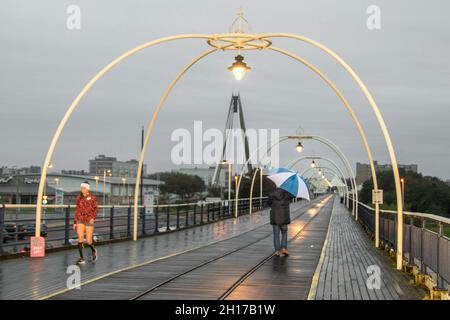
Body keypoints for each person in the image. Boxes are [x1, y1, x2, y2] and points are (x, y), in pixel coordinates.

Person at [74, 181, 99, 265]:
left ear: (87, 189)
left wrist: (93, 218)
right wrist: (75, 222)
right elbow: (77, 210)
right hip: (80, 219)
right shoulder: (78, 198)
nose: (82, 190)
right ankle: (82, 258)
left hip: (89, 220)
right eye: (81, 188)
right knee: (80, 239)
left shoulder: (93, 198)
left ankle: (94, 251)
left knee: (88, 241)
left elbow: (96, 209)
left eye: (84, 188)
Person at [268, 187, 294, 257]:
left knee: (276, 234)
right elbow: (292, 197)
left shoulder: (272, 193)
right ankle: (284, 248)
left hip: (275, 217)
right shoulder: (287, 194)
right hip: (284, 217)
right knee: (284, 233)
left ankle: (277, 251)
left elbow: (268, 203)